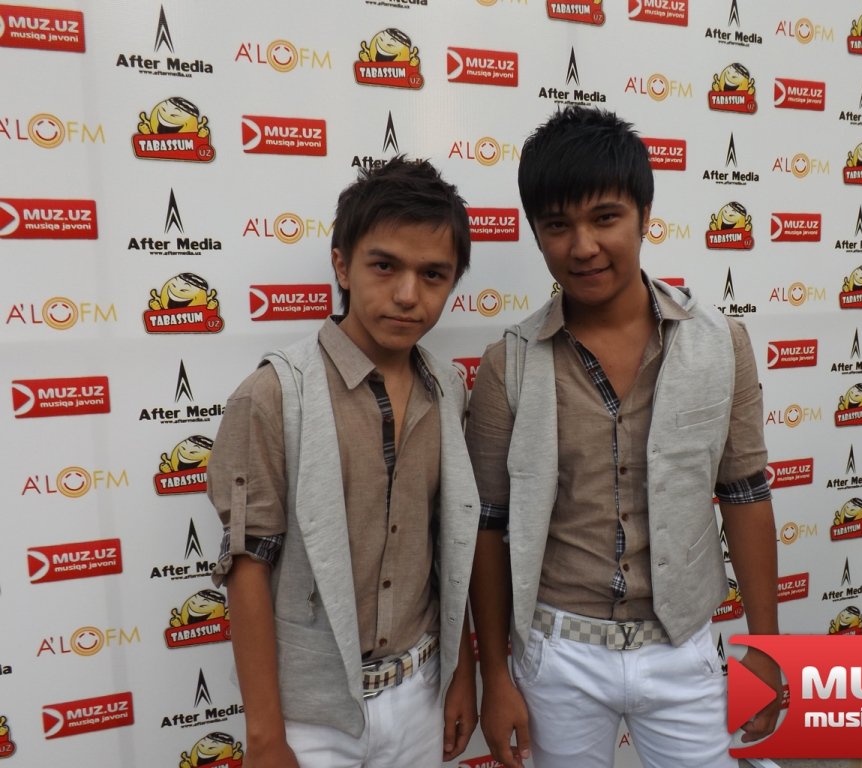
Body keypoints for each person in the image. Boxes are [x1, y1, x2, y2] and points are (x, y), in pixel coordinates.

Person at [466, 106, 781, 768]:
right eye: (557, 226)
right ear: (537, 233)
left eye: (605, 218)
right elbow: (487, 526)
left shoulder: (721, 344)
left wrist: (767, 647)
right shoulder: (508, 364)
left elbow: (746, 494)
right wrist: (495, 674)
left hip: (682, 646)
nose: (582, 247)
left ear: (645, 215)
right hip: (558, 655)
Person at [207, 157, 480, 768]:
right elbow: (248, 566)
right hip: (311, 716)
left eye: (432, 275)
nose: (407, 294)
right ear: (342, 265)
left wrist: (461, 674)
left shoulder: (448, 389)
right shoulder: (275, 394)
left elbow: (450, 548)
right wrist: (265, 736)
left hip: (420, 691)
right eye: (385, 266)